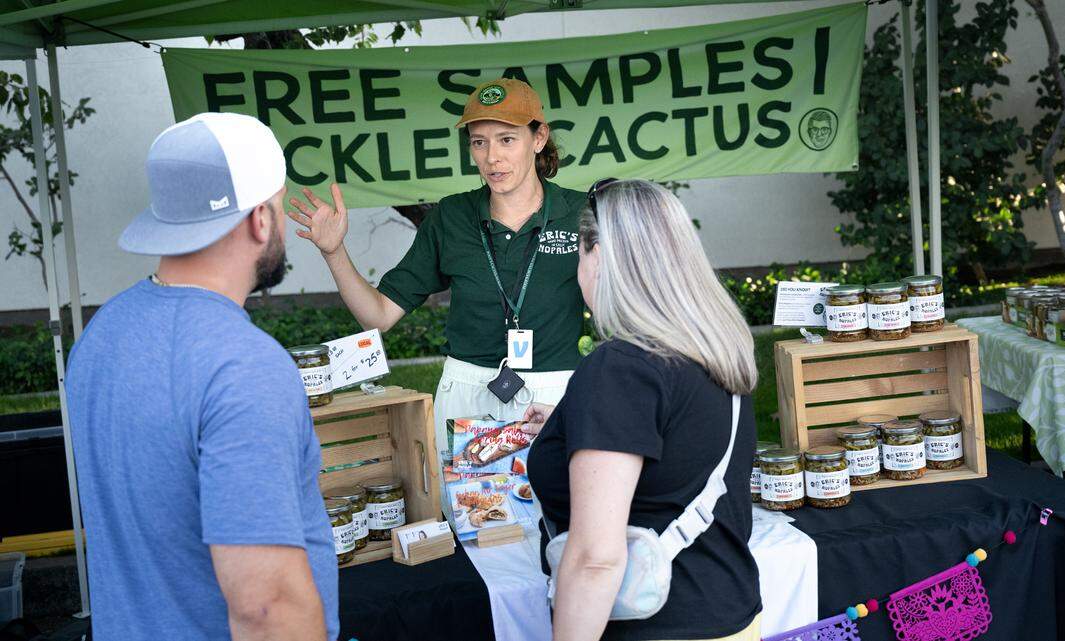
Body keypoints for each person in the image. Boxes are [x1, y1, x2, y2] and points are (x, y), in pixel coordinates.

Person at [66, 113, 337, 641]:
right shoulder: (244, 365)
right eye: (280, 207)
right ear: (262, 219)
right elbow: (266, 608)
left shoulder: (101, 334)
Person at [289, 78, 587, 482]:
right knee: (475, 523)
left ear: (539, 138)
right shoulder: (451, 216)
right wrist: (333, 251)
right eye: (479, 142)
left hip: (556, 395)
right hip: (467, 393)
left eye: (506, 139)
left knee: (561, 518)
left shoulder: (581, 213)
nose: (492, 157)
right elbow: (378, 317)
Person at [525, 180, 762, 641]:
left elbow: (595, 558)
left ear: (598, 256)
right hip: (730, 614)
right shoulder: (711, 349)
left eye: (578, 256)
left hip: (657, 626)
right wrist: (574, 420)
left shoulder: (619, 368)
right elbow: (679, 439)